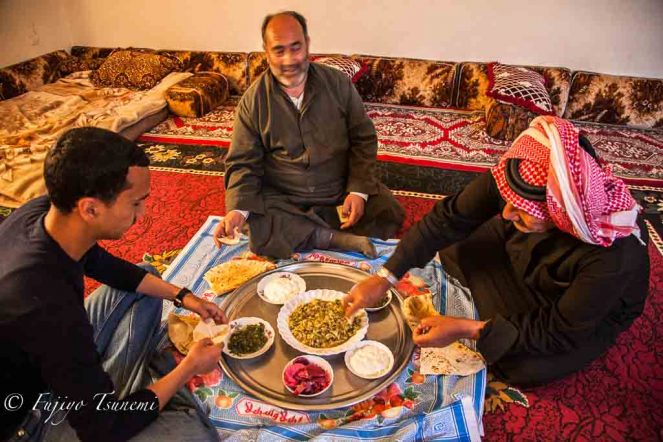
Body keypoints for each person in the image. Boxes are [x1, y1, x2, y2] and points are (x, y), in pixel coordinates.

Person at [344, 116, 650, 386]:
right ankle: (495, 314)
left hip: (573, 310)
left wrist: (466, 329)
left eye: (523, 209)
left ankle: (488, 317)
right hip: (521, 255)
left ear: (562, 213)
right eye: (506, 200)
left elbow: (560, 330)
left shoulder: (613, 255)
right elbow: (449, 218)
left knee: (523, 366)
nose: (505, 213)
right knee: (453, 242)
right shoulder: (519, 172)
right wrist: (386, 276)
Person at [0, 127, 225, 441]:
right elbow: (102, 430)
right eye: (135, 203)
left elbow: (107, 268)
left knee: (147, 275)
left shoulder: (43, 212)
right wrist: (188, 368)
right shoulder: (47, 305)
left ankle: (125, 388)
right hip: (31, 417)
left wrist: (184, 296)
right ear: (90, 208)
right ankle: (133, 390)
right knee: (193, 432)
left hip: (51, 359)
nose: (143, 212)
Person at [214, 11, 405, 259]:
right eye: (279, 51)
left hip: (337, 190)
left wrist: (357, 191)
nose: (289, 60)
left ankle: (309, 232)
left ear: (307, 44)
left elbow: (363, 138)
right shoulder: (253, 100)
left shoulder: (337, 84)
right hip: (285, 197)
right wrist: (238, 211)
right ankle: (331, 237)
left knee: (387, 211)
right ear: (266, 51)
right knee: (254, 221)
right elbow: (242, 162)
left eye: (296, 48)